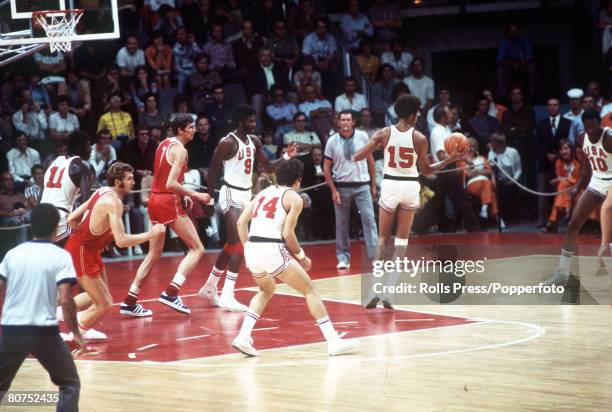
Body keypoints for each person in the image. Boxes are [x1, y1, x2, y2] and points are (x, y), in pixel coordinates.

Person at [232, 159, 358, 356]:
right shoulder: (294, 198)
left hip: (252, 248)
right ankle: (333, 341)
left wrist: (248, 248)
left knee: (267, 289)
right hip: (270, 248)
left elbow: (240, 222)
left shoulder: (263, 192)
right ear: (298, 181)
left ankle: (243, 336)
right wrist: (302, 256)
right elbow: (287, 234)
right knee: (310, 290)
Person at [354, 95, 466, 308]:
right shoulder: (420, 138)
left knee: (382, 239)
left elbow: (357, 156)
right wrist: (450, 159)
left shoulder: (383, 133)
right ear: (412, 115)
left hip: (390, 185)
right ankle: (389, 293)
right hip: (410, 186)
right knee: (402, 241)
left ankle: (374, 291)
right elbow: (427, 170)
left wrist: (376, 146)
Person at [198, 105, 297, 311]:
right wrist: (208, 200)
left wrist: (286, 156)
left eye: (254, 120)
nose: (254, 124)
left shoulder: (255, 141)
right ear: (240, 121)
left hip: (246, 195)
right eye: (250, 121)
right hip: (230, 194)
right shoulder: (227, 142)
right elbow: (212, 170)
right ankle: (227, 294)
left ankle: (209, 286)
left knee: (230, 245)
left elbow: (268, 167)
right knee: (242, 244)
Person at [64, 163, 165, 344]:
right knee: (105, 304)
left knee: (98, 297)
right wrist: (152, 234)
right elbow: (122, 241)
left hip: (86, 248)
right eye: (129, 179)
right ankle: (78, 328)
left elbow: (72, 219)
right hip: (82, 251)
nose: (134, 182)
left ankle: (59, 314)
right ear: (118, 182)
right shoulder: (114, 203)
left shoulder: (101, 191)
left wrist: (94, 239)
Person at [121, 115, 211, 317]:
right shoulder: (181, 150)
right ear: (180, 130)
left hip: (154, 200)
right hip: (167, 201)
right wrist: (195, 194)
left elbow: (163, 180)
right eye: (190, 127)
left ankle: (130, 300)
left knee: (154, 254)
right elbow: (170, 184)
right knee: (197, 248)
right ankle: (171, 292)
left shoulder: (163, 144)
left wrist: (182, 196)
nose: (194, 130)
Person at [0, 204, 84, 409]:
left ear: (30, 225)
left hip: (11, 330)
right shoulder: (60, 256)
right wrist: (76, 334)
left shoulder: (13, 254)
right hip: (44, 333)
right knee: (69, 384)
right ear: (56, 227)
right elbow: (65, 299)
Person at [543, 110, 612, 285]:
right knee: (573, 224)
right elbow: (587, 167)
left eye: (593, 126)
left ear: (600, 123)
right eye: (587, 127)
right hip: (596, 183)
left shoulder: (609, 137)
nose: (590, 130)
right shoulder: (582, 138)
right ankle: (562, 273)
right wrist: (578, 186)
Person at [324, 110, 378, 269]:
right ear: (338, 122)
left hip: (362, 186)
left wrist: (373, 185)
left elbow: (371, 161)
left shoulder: (362, 136)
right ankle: (343, 258)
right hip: (341, 187)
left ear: (353, 122)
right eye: (343, 120)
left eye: (348, 119)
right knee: (341, 224)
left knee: (369, 219)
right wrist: (333, 190)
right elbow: (326, 167)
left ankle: (375, 258)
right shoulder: (332, 141)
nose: (345, 122)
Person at [40, 131, 92, 246]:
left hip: (40, 213)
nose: (91, 149)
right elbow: (86, 201)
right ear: (80, 147)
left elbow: (42, 191)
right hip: (59, 216)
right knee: (67, 258)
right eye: (88, 145)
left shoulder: (52, 162)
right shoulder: (81, 166)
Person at [542, 139, 580, 233]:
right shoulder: (559, 163)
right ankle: (566, 210)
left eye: (566, 148)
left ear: (571, 149)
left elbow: (578, 180)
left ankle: (552, 222)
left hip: (577, 190)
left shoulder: (577, 163)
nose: (564, 151)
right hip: (565, 192)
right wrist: (560, 180)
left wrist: (563, 180)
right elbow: (560, 177)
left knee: (562, 186)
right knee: (562, 186)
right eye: (561, 149)